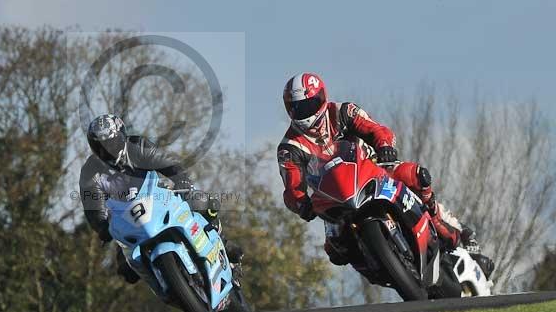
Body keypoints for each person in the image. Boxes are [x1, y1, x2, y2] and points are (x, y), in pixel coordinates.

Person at [276, 73, 494, 276]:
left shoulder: (343, 111)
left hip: (371, 170)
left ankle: (452, 229)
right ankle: (377, 266)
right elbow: (293, 185)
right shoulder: (290, 147)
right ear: (289, 111)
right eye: (298, 108)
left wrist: (385, 146)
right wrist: (300, 203)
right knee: (335, 250)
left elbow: (376, 129)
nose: (306, 112)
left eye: (310, 105)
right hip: (332, 197)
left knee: (414, 176)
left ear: (322, 99)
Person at [79, 114, 242, 285]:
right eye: (102, 146)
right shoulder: (90, 171)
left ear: (122, 136)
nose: (108, 150)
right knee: (126, 270)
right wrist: (102, 226)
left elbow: (165, 162)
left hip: (158, 199)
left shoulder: (137, 146)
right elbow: (92, 203)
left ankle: (224, 245)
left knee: (202, 202)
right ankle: (165, 284)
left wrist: (181, 179)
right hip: (128, 220)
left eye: (112, 143)